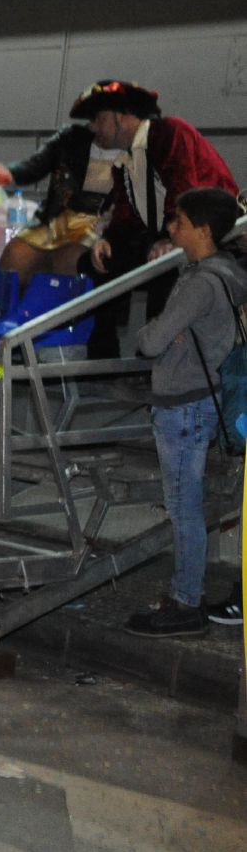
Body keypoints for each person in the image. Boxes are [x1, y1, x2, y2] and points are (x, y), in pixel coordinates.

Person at [122, 188, 247, 636]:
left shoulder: (199, 283)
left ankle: (184, 602)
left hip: (184, 403)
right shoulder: (220, 275)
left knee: (183, 508)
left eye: (179, 220)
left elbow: (150, 341)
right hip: (196, 399)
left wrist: (154, 332)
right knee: (185, 505)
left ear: (204, 230)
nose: (172, 227)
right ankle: (186, 597)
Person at [75, 80, 239, 358]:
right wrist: (107, 240)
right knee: (97, 260)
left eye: (100, 118)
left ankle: (155, 361)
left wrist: (168, 238)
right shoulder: (123, 162)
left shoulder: (171, 132)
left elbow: (185, 191)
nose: (93, 127)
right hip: (170, 232)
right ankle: (102, 358)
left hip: (209, 236)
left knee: (164, 267)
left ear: (124, 117)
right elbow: (128, 215)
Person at [0, 123, 112, 286]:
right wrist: (4, 172)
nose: (97, 123)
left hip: (97, 226)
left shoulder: (135, 150)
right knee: (15, 255)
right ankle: (12, 309)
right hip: (53, 220)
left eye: (104, 117)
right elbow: (33, 166)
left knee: (71, 257)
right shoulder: (70, 137)